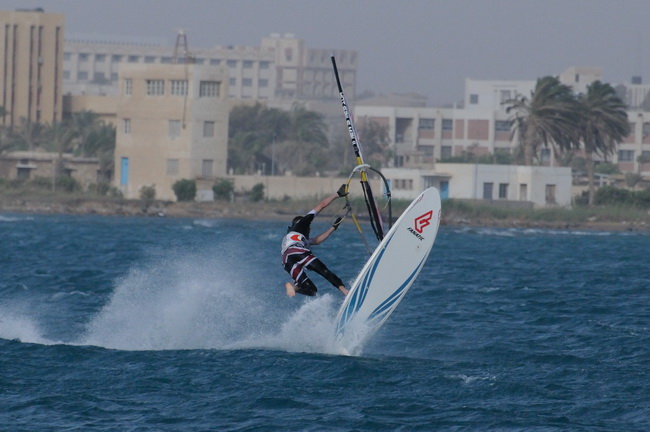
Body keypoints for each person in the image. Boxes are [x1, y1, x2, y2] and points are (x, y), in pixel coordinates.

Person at [281, 184, 349, 297]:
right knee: (323, 270)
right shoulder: (302, 223)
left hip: (286, 260)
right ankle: (344, 290)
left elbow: (317, 241)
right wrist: (337, 194)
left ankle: (292, 287)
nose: (309, 229)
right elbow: (322, 205)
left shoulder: (291, 237)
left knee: (311, 290)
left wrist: (334, 227)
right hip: (296, 250)